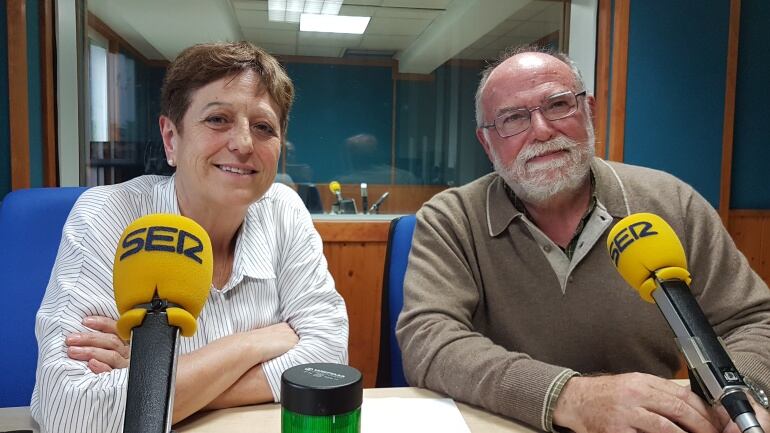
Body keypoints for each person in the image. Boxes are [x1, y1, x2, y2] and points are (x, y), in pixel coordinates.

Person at [396, 46, 770, 433]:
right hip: (508, 423)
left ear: (588, 111)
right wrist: (567, 396)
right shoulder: (452, 217)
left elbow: (754, 320)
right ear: (487, 142)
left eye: (558, 105)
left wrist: (742, 396)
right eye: (512, 119)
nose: (541, 130)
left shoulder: (671, 202)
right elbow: (430, 339)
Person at [32, 42, 349, 432]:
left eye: (264, 127)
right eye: (218, 119)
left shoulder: (284, 209)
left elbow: (329, 360)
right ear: (171, 138)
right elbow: (70, 411)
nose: (244, 144)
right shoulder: (108, 216)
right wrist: (251, 344)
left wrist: (152, 380)